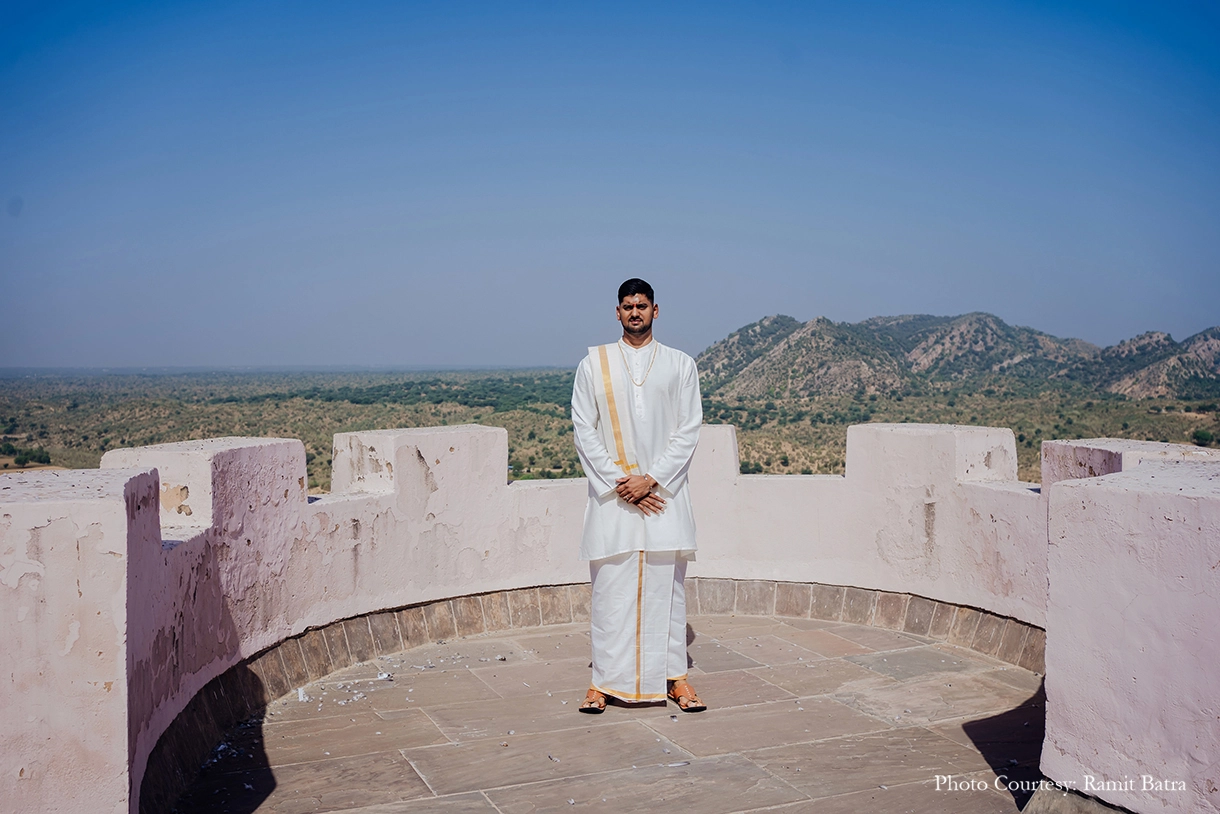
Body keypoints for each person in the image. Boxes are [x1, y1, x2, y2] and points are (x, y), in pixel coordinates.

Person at [570, 278, 707, 713]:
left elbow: (689, 429)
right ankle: (602, 682)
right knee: (610, 593)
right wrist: (620, 483)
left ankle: (675, 679)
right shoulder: (593, 364)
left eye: (642, 305)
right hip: (615, 499)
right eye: (627, 306)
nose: (635, 312)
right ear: (617, 312)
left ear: (656, 310)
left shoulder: (680, 364)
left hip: (662, 496)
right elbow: (583, 430)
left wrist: (651, 480)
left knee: (669, 593)